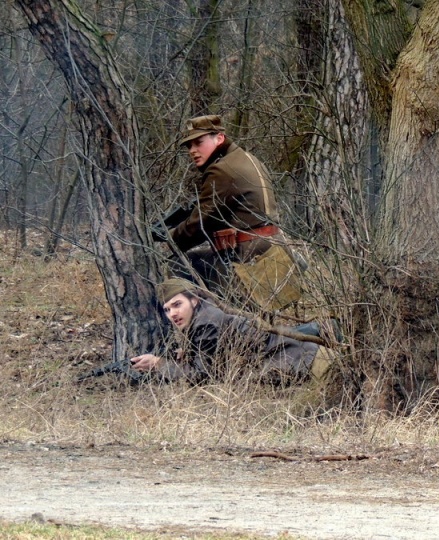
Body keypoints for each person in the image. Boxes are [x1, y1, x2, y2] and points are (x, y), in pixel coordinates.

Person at [163, 114, 287, 298]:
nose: (192, 150)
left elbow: (200, 224)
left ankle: (200, 323)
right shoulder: (248, 158)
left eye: (198, 142)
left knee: (179, 264)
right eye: (189, 145)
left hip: (248, 254)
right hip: (275, 247)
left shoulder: (221, 170)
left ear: (219, 138)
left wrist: (169, 238)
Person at [131, 278, 335, 385]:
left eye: (177, 304)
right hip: (306, 357)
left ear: (194, 300)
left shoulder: (206, 324)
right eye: (167, 309)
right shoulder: (206, 315)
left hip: (310, 363)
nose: (172, 314)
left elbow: (201, 376)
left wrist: (159, 364)